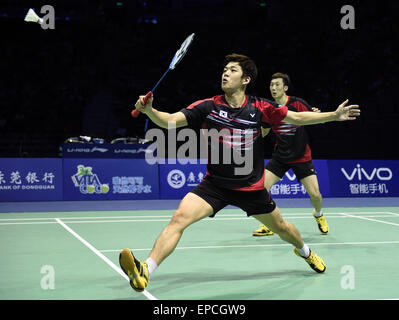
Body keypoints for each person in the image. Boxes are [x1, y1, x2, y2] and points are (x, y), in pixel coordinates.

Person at [119, 54, 360, 292]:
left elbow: (296, 117)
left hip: (251, 188)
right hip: (215, 185)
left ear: (245, 79)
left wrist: (333, 115)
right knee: (179, 218)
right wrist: (150, 110)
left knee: (284, 229)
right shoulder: (208, 107)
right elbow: (170, 120)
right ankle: (146, 270)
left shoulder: (259, 108)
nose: (225, 73)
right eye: (224, 69)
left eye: (232, 70)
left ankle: (305, 252)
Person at [253, 73, 328, 237]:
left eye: (277, 85)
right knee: (261, 189)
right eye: (271, 85)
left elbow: (313, 118)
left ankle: (318, 214)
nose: (273, 88)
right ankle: (269, 224)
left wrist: (318, 114)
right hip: (280, 157)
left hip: (302, 156)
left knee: (315, 195)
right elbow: (264, 132)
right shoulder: (269, 108)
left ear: (285, 88)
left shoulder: (297, 104)